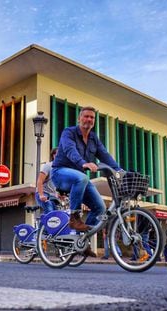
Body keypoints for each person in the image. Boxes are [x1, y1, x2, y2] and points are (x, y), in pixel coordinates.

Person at [52, 106, 122, 257]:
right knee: (82, 177)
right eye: (86, 116)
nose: (89, 119)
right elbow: (71, 151)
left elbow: (105, 155)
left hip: (79, 179)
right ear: (79, 118)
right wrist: (83, 163)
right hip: (60, 173)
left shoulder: (93, 138)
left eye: (92, 117)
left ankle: (82, 241)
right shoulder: (68, 132)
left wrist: (119, 171)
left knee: (100, 208)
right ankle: (74, 217)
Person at [35, 148, 59, 214]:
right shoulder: (48, 166)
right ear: (54, 156)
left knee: (57, 216)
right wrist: (41, 195)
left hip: (53, 196)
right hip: (44, 193)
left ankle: (42, 224)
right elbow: (40, 181)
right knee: (49, 210)